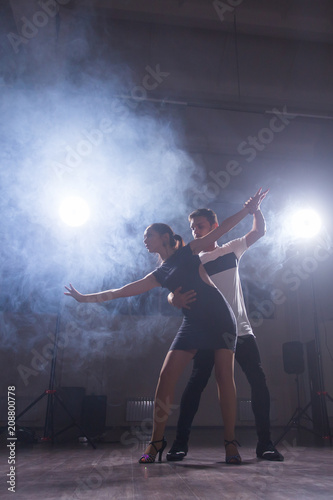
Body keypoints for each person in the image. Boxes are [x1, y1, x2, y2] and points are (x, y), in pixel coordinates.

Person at [65, 189, 267, 465]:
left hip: (220, 317)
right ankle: (156, 442)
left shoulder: (188, 252)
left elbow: (220, 232)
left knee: (224, 379)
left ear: (164, 237)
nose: (144, 241)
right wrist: (84, 298)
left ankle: (230, 444)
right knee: (166, 377)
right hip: (193, 323)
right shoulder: (158, 274)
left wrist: (249, 209)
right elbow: (123, 291)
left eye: (148, 235)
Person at [166, 201, 284, 462]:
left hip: (240, 330)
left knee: (258, 382)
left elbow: (259, 232)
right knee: (196, 385)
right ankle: (179, 444)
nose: (196, 231)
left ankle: (265, 444)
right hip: (208, 333)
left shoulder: (231, 249)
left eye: (201, 226)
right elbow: (170, 289)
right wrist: (174, 299)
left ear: (214, 227)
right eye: (193, 227)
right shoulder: (192, 260)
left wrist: (256, 210)